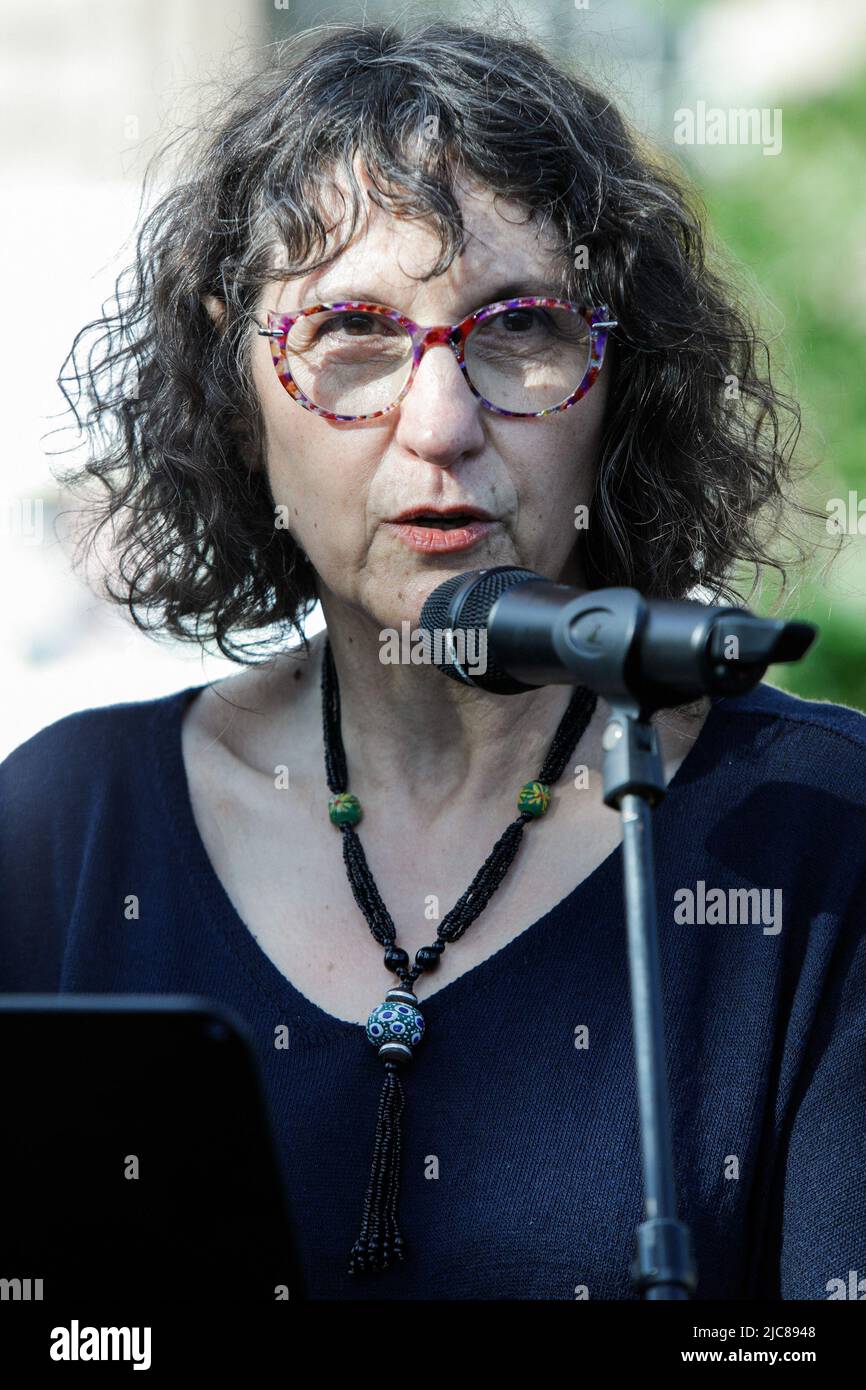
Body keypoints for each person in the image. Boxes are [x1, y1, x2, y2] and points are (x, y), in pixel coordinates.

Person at [2, 18, 865, 1301]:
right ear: (240, 405)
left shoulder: (818, 829)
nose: (442, 423)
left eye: (519, 330)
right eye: (352, 333)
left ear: (619, 383)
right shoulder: (66, 825)